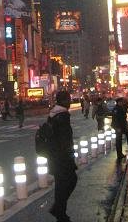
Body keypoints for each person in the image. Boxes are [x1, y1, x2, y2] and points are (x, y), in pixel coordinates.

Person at [48, 90, 77, 222]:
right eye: (69, 99)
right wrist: (70, 157)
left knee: (62, 184)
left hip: (55, 156)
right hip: (62, 158)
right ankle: (59, 212)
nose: (70, 102)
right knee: (68, 182)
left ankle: (59, 210)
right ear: (64, 101)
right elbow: (65, 140)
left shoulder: (54, 114)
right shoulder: (62, 116)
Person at [111, 97, 128, 161]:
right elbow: (115, 120)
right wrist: (117, 128)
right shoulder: (116, 109)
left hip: (123, 126)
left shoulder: (122, 107)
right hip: (118, 127)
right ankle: (119, 155)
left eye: (122, 102)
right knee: (118, 140)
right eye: (120, 102)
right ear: (118, 102)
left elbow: (126, 106)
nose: (122, 103)